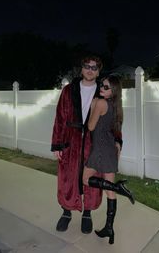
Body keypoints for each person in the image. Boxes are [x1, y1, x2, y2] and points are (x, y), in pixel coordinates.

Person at [51, 55, 105, 234]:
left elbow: (113, 119)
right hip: (70, 141)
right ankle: (66, 212)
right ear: (81, 68)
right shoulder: (68, 90)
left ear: (98, 71)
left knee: (91, 177)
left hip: (94, 141)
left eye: (94, 67)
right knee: (68, 178)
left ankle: (87, 213)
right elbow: (60, 117)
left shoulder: (103, 91)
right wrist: (57, 145)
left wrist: (116, 142)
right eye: (87, 66)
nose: (90, 70)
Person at [83, 75, 135, 244]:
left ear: (113, 91)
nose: (102, 88)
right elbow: (114, 129)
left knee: (85, 179)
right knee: (110, 192)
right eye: (102, 85)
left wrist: (92, 107)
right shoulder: (115, 106)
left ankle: (119, 187)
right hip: (110, 149)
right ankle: (109, 229)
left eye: (106, 87)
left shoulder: (100, 103)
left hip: (100, 149)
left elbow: (90, 127)